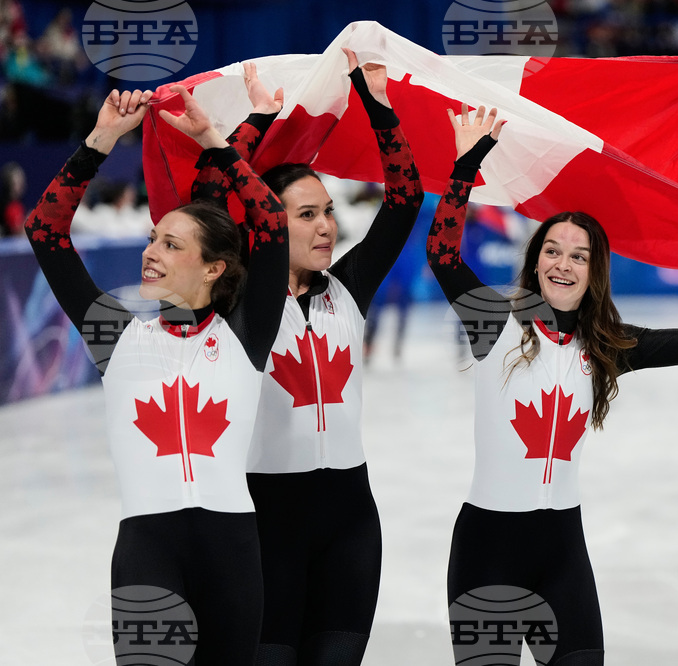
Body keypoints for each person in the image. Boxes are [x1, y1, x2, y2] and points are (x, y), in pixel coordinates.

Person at [427, 104, 678, 665]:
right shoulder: (496, 324)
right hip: (488, 552)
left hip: (562, 553)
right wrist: (468, 165)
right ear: (535, 262)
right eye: (552, 251)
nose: (563, 264)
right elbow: (442, 253)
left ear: (594, 271)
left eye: (578, 256)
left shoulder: (607, 345)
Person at [24, 82, 288, 664]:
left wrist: (213, 140)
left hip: (234, 554)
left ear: (215, 267)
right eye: (152, 240)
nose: (152, 253)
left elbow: (270, 224)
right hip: (150, 552)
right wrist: (101, 141)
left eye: (170, 244)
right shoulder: (116, 337)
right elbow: (45, 231)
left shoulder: (244, 336)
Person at [209, 49, 422, 665]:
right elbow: (213, 199)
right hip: (266, 522)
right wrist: (256, 121)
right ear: (270, 225)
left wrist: (378, 106)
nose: (327, 225)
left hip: (351, 522)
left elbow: (403, 200)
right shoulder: (236, 298)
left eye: (329, 211)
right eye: (308, 215)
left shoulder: (349, 289)